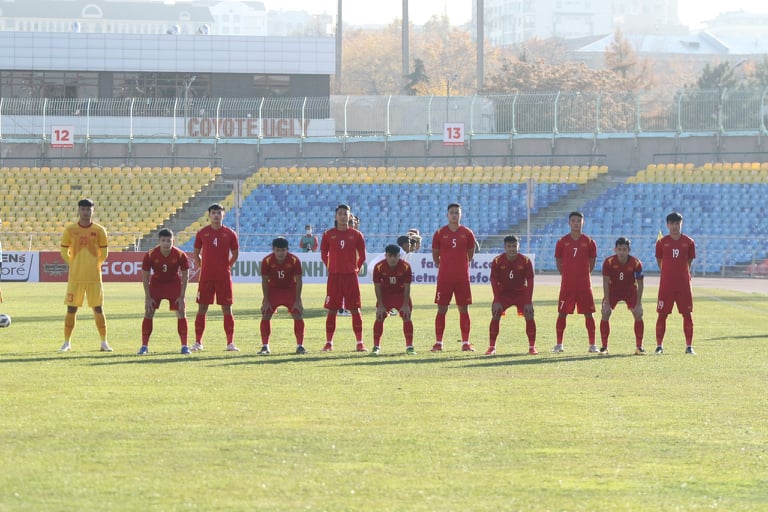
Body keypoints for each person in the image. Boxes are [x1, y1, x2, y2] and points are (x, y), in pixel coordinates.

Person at [58, 198, 111, 352]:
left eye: (88, 209)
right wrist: (73, 263)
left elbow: (105, 253)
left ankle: (104, 342)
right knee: (71, 309)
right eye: (83, 209)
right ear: (79, 210)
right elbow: (63, 251)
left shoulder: (100, 230)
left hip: (94, 278)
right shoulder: (70, 230)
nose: (85, 212)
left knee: (98, 309)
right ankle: (67, 343)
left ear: (93, 211)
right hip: (76, 277)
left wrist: (96, 265)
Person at [192, 203, 240, 352]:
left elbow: (235, 253)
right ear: (209, 215)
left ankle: (230, 343)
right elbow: (196, 253)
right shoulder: (202, 232)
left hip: (223, 277)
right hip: (206, 277)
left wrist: (227, 266)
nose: (216, 215)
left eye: (219, 213)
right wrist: (202, 266)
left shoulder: (230, 233)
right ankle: (198, 342)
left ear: (223, 215)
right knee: (202, 308)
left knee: (227, 308)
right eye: (213, 213)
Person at [320, 204, 367, 352]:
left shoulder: (357, 235)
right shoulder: (328, 234)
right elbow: (323, 253)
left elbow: (363, 256)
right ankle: (329, 343)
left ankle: (360, 343)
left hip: (350, 277)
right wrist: (330, 267)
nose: (342, 216)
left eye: (345, 214)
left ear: (349, 216)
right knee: (332, 309)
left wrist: (356, 269)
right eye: (340, 213)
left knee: (355, 308)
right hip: (334, 277)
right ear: (335, 216)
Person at [431, 203, 477, 352]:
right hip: (445, 278)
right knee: (442, 308)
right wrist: (444, 266)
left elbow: (470, 254)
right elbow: (435, 255)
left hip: (462, 277)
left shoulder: (467, 233)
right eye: (452, 212)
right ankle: (438, 343)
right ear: (447, 215)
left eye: (457, 212)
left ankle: (465, 343)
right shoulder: (439, 233)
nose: (454, 215)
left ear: (460, 215)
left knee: (463, 308)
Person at [138, 228, 190, 355]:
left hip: (174, 284)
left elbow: (185, 276)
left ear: (173, 241)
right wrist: (148, 297)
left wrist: (182, 296)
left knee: (181, 312)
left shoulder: (180, 255)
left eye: (169, 241)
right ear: (159, 241)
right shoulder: (150, 254)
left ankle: (184, 346)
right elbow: (145, 276)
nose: (166, 243)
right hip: (157, 284)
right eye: (163, 241)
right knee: (149, 312)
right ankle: (144, 346)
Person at [553, 211, 597, 353]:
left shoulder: (589, 242)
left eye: (578, 220)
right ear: (569, 223)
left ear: (582, 222)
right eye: (573, 220)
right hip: (567, 285)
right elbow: (559, 260)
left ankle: (592, 345)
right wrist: (566, 274)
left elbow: (592, 261)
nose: (576, 223)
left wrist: (583, 274)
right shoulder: (562, 241)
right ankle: (559, 344)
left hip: (584, 284)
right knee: (562, 313)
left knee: (589, 313)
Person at [486, 235, 537, 355]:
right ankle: (492, 347)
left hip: (521, 293)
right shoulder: (498, 260)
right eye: (509, 246)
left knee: (529, 314)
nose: (512, 249)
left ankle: (532, 347)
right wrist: (497, 300)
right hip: (504, 293)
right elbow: (494, 280)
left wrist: (528, 301)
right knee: (496, 313)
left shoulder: (525, 261)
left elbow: (530, 281)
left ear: (518, 246)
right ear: (504, 247)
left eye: (514, 246)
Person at [655, 211, 696, 355]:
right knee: (662, 314)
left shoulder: (689, 242)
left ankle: (689, 346)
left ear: (681, 224)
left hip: (684, 284)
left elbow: (689, 261)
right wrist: (669, 273)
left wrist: (681, 273)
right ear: (667, 225)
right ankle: (659, 346)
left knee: (687, 314)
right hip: (666, 285)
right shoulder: (662, 242)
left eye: (677, 223)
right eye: (672, 223)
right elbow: (659, 261)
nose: (675, 226)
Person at [259, 237, 306, 355]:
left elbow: (299, 281)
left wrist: (297, 300)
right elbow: (264, 281)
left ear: (287, 250)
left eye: (283, 250)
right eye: (277, 250)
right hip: (273, 290)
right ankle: (265, 346)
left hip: (290, 290)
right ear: (273, 250)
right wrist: (266, 300)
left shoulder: (294, 260)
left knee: (297, 313)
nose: (280, 253)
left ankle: (300, 346)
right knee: (266, 314)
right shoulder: (267, 261)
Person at [600, 237, 645, 355]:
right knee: (605, 313)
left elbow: (640, 284)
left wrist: (639, 303)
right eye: (619, 249)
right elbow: (605, 282)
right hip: (613, 290)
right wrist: (607, 303)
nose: (621, 252)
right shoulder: (608, 262)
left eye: (624, 249)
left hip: (630, 290)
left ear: (628, 250)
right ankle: (604, 347)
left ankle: (639, 347)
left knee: (638, 313)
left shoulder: (636, 263)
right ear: (615, 249)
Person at [372, 244, 415, 355]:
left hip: (400, 295)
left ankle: (409, 347)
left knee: (406, 316)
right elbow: (377, 286)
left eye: (395, 256)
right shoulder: (379, 267)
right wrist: (380, 306)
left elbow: (407, 286)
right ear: (385, 255)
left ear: (399, 256)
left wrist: (405, 305)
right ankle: (376, 346)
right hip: (386, 295)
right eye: (390, 256)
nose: (392, 259)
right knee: (380, 316)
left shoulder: (405, 266)